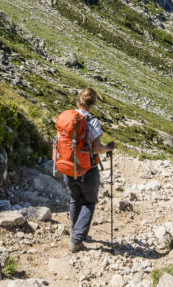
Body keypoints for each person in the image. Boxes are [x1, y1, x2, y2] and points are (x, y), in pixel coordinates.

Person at [63, 86, 115, 253]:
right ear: (92, 104)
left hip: (68, 167)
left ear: (79, 101)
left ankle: (76, 231)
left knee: (74, 199)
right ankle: (77, 241)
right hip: (87, 169)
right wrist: (109, 147)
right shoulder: (91, 121)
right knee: (89, 202)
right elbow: (97, 148)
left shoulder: (68, 117)